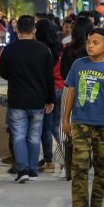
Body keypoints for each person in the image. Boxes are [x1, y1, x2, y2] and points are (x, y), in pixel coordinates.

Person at [62, 28, 104, 207]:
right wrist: (65, 118)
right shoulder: (78, 65)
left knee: (102, 166)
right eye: (89, 41)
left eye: (95, 42)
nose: (90, 45)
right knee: (79, 166)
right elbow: (70, 93)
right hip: (80, 123)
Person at [0, 15, 54, 183]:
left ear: (17, 30)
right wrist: (50, 99)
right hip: (38, 99)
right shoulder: (44, 49)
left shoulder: (9, 50)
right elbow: (48, 77)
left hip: (17, 99)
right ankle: (33, 170)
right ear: (34, 30)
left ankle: (22, 169)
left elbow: (3, 73)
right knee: (34, 136)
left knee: (18, 135)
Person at [36, 18, 63, 173]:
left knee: (46, 127)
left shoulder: (41, 49)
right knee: (56, 126)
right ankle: (67, 152)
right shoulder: (61, 46)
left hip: (49, 90)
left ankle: (48, 160)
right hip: (62, 88)